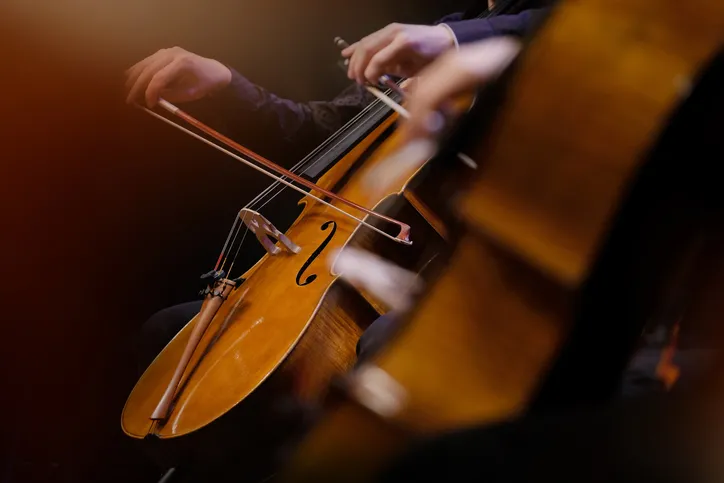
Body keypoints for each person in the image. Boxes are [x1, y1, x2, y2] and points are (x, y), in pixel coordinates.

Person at [129, 2, 551, 372]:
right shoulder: (436, 34)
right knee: (165, 332)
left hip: (479, 257)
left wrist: (454, 41)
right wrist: (226, 84)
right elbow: (326, 132)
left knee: (383, 342)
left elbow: (571, 25)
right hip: (338, 252)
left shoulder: (565, 26)